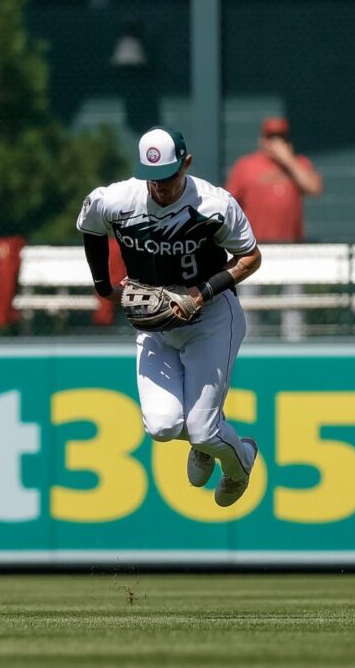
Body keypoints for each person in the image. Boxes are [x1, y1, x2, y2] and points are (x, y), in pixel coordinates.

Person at [77, 126, 262, 507]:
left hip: (210, 320)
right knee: (162, 427)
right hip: (155, 325)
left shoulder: (214, 204)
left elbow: (250, 258)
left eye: (168, 177)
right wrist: (102, 286)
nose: (160, 187)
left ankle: (240, 461)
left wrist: (201, 293)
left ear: (186, 164)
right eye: (152, 179)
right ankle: (206, 434)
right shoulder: (116, 199)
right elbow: (90, 227)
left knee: (204, 431)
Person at [225, 117, 323, 341]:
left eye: (280, 138)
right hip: (253, 249)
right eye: (271, 138)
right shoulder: (246, 166)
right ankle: (248, 351)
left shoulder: (299, 163)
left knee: (293, 312)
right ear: (262, 139)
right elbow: (228, 203)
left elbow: (314, 187)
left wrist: (288, 160)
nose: (275, 142)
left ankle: (294, 352)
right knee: (248, 308)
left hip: (292, 248)